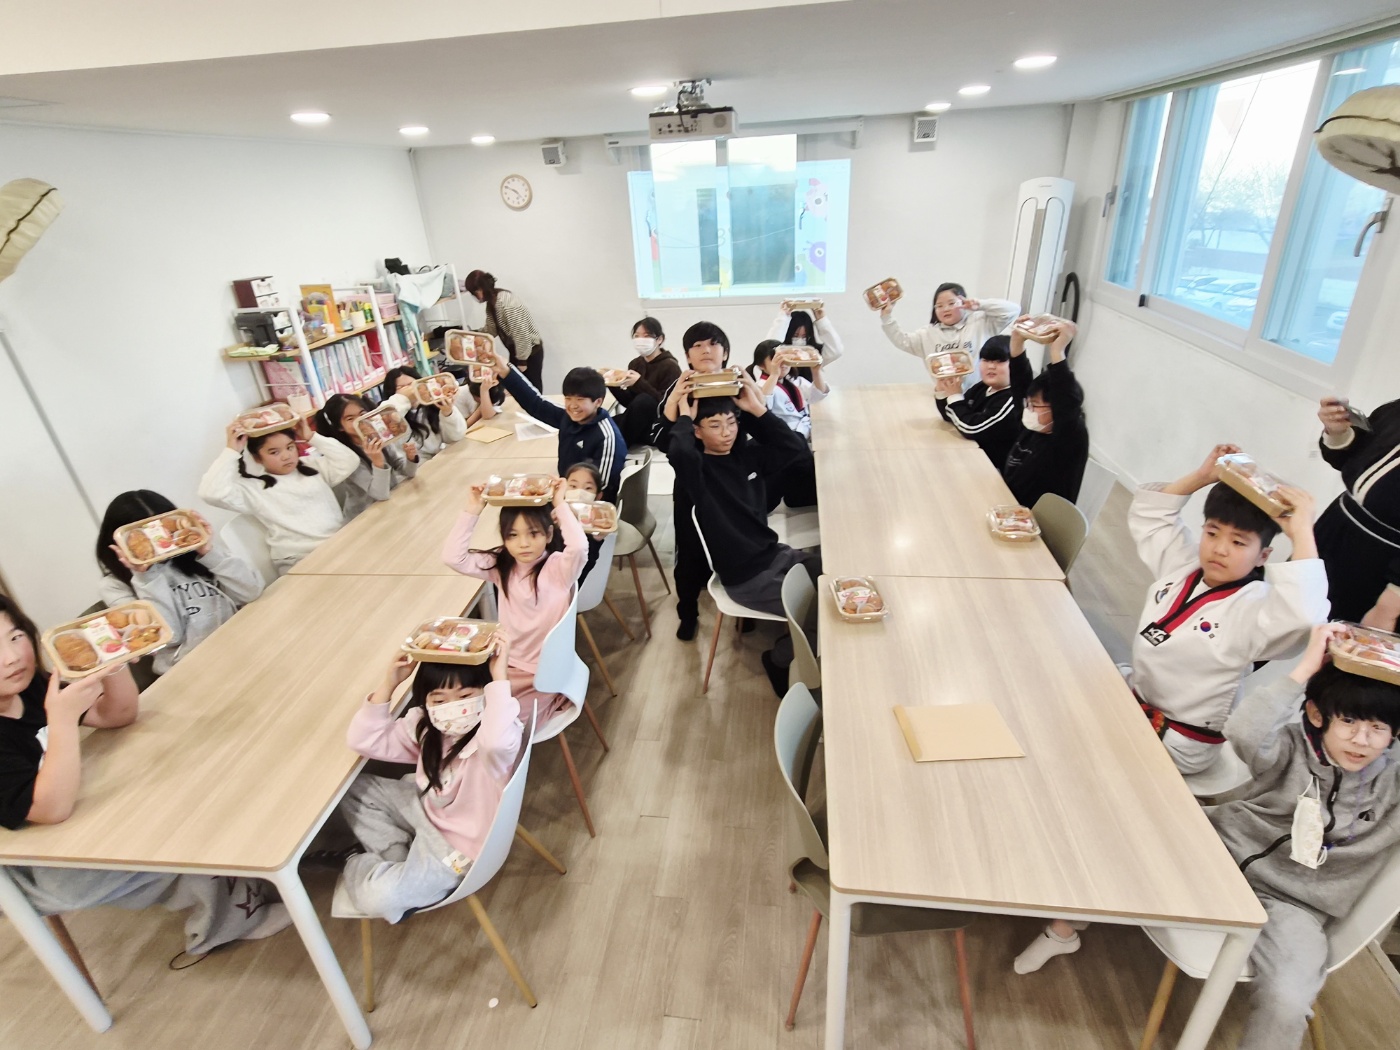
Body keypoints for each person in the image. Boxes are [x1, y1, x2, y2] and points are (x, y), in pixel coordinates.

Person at [0, 594, 290, 957]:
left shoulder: (30, 687)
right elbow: (50, 809)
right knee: (171, 830)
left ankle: (238, 891)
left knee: (180, 788)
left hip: (68, 819)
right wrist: (61, 721)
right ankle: (232, 919)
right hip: (34, 870)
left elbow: (117, 714)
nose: (11, 657)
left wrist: (113, 663)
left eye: (15, 637)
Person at [1206, 623, 1400, 1049]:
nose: (1361, 739)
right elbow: (1243, 730)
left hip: (1295, 908)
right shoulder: (1291, 747)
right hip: (1217, 857)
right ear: (1317, 715)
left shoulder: (1393, 787)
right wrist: (1308, 665)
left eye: (1378, 728)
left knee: (1288, 1001)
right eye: (1347, 721)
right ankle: (1065, 929)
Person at [336, 632, 523, 923]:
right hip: (426, 809)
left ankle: (354, 861)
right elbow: (363, 740)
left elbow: (497, 743)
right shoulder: (427, 728)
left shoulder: (494, 740)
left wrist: (500, 680)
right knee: (351, 788)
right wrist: (390, 683)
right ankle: (398, 858)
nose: (453, 707)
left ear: (485, 694)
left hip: (456, 848)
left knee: (380, 899)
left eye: (465, 696)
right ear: (426, 701)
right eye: (439, 699)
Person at [669, 375, 819, 692]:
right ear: (697, 431)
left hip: (776, 555)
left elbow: (796, 451)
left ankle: (806, 650)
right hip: (746, 578)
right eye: (714, 425)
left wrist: (756, 411)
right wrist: (683, 417)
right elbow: (680, 454)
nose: (726, 432)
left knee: (832, 578)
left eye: (731, 423)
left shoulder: (748, 458)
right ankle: (779, 659)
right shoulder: (698, 473)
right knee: (821, 613)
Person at [441, 477, 587, 725]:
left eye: (533, 533)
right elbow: (453, 558)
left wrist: (559, 503)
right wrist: (473, 510)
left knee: (506, 724)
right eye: (512, 535)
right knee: (469, 714)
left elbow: (580, 547)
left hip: (543, 671)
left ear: (548, 534)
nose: (523, 544)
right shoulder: (502, 565)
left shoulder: (559, 568)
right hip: (503, 664)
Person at [651, 322, 753, 640]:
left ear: (726, 352)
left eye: (714, 344)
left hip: (732, 481)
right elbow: (661, 439)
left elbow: (756, 425)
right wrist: (675, 406)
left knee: (738, 544)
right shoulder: (680, 387)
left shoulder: (737, 383)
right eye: (697, 346)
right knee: (689, 552)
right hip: (690, 483)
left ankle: (745, 608)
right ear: (687, 356)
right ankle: (688, 613)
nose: (706, 350)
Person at [95, 490, 263, 675]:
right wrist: (146, 577)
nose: (156, 540)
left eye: (160, 529)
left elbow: (251, 591)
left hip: (240, 640)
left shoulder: (190, 554)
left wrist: (208, 551)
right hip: (191, 668)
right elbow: (171, 637)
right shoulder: (114, 586)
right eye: (143, 534)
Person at [198, 417, 361, 575]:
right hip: (300, 559)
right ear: (257, 458)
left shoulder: (311, 466)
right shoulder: (254, 488)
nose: (286, 456)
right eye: (274, 452)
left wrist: (311, 436)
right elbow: (211, 493)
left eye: (290, 447)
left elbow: (349, 461)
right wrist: (231, 451)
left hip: (339, 543)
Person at [1314, 395, 1400, 629]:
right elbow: (1352, 458)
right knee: (1281, 616)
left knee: (1341, 645)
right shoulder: (1396, 409)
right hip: (1333, 529)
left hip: (1383, 567)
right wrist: (1338, 432)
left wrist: (1392, 601)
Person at [497, 359, 626, 503]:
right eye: (568, 398)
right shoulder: (569, 417)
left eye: (580, 399)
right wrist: (506, 371)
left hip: (589, 503)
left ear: (598, 402)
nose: (573, 405)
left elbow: (600, 486)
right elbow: (536, 404)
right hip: (567, 490)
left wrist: (560, 498)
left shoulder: (606, 436)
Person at [1000, 319, 1089, 507]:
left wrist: (1057, 352)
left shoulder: (1068, 438)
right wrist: (1017, 340)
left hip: (1038, 519)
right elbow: (1020, 385)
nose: (1029, 411)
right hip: (1008, 503)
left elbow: (1066, 399)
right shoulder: (1033, 427)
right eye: (1029, 405)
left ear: (1055, 409)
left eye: (1036, 406)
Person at [934, 333, 1032, 469]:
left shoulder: (1011, 399)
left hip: (994, 469)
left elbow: (972, 428)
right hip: (970, 459)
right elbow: (954, 416)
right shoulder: (982, 387)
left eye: (999, 361)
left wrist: (955, 396)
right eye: (985, 360)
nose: (991, 366)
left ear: (1014, 366)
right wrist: (943, 390)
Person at [314, 394, 419, 520]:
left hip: (392, 504)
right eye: (350, 419)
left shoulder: (377, 436)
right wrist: (378, 462)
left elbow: (408, 472)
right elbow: (379, 495)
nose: (360, 420)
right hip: (365, 516)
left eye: (362, 413)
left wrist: (411, 458)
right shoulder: (346, 456)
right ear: (340, 427)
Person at [879, 281, 1019, 368]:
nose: (945, 309)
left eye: (951, 303)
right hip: (945, 396)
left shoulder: (980, 322)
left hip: (980, 396)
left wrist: (980, 304)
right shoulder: (927, 334)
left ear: (964, 302)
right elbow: (902, 341)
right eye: (939, 306)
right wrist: (886, 316)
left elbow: (1013, 310)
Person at [608, 317, 682, 450]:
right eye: (637, 336)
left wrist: (639, 383)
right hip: (638, 421)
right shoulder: (635, 364)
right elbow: (631, 404)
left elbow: (664, 404)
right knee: (604, 422)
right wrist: (612, 384)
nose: (640, 340)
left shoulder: (670, 366)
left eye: (646, 336)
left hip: (659, 424)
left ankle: (617, 448)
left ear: (659, 339)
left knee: (644, 400)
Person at [464, 270, 544, 389]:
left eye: (474, 293)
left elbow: (521, 333)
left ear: (479, 290)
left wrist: (522, 362)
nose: (475, 297)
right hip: (517, 351)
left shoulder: (506, 303)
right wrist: (473, 335)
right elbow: (491, 329)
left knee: (531, 389)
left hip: (529, 352)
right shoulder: (492, 302)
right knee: (516, 388)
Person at [379, 366, 467, 459]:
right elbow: (384, 417)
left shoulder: (432, 405)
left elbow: (456, 437)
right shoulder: (395, 412)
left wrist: (448, 413)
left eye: (411, 384)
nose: (409, 389)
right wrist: (404, 398)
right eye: (401, 388)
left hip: (442, 458)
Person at [749, 339, 829, 441]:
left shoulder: (795, 381)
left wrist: (816, 372)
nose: (782, 363)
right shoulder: (760, 387)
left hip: (805, 431)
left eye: (786, 358)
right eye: (775, 360)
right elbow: (763, 406)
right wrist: (774, 374)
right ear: (761, 366)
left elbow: (818, 395)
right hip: (785, 438)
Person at [562, 461, 607, 586]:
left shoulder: (593, 526)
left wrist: (596, 540)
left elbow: (583, 569)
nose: (579, 492)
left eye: (588, 488)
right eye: (573, 486)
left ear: (598, 496)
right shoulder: (554, 516)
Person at [764, 302, 844, 369]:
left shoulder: (814, 355)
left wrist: (822, 320)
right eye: (795, 336)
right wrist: (783, 318)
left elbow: (836, 350)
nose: (800, 339)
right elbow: (769, 348)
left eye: (804, 336)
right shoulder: (780, 356)